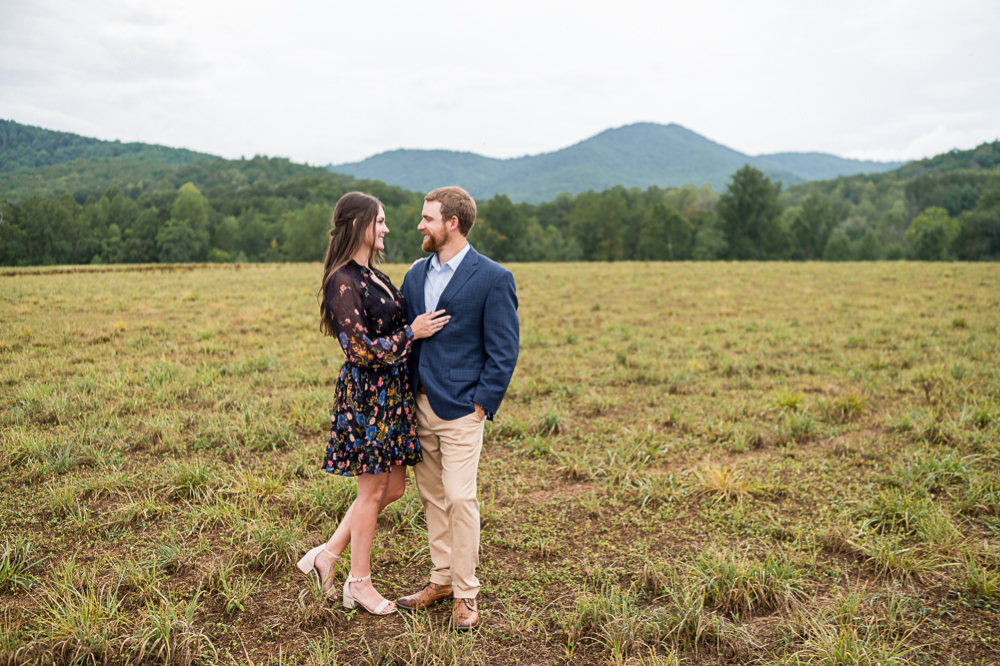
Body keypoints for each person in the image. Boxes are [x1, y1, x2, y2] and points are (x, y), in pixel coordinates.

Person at [297, 192, 450, 616]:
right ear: (358, 224)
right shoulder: (341, 280)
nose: (385, 228)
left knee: (393, 488)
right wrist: (411, 334)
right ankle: (358, 582)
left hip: (393, 395)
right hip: (368, 397)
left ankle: (327, 556)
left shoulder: (374, 274)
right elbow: (359, 351)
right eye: (379, 221)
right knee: (372, 491)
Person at [396, 186, 520, 630]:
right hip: (419, 405)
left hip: (464, 411)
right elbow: (407, 335)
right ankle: (441, 579)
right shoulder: (414, 275)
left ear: (452, 223)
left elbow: (504, 350)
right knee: (432, 497)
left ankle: (466, 593)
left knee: (461, 498)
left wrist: (482, 405)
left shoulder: (493, 277)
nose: (419, 225)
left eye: (427, 218)